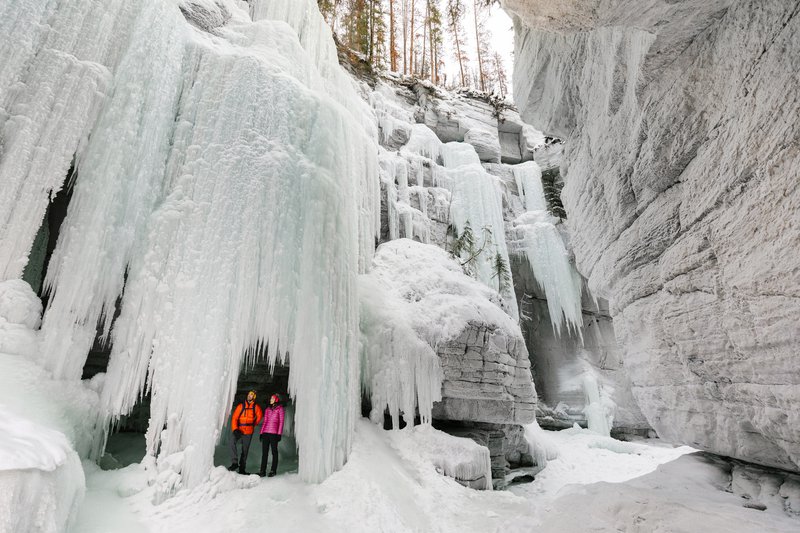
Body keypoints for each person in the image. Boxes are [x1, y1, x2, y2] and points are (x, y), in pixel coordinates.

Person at [229, 390, 263, 474]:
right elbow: (234, 418)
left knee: (245, 451)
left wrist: (254, 424)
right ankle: (234, 463)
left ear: (254, 397)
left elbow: (260, 416)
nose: (249, 396)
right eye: (249, 394)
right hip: (239, 430)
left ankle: (242, 469)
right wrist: (235, 429)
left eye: (251, 395)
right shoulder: (241, 406)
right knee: (231, 442)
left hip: (248, 432)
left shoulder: (256, 407)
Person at [258, 393, 285, 477]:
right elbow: (265, 422)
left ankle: (273, 470)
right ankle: (262, 471)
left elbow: (281, 422)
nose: (270, 400)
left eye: (272, 399)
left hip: (274, 434)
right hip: (266, 433)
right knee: (264, 453)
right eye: (270, 399)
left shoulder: (280, 409)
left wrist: (279, 434)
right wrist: (261, 433)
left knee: (274, 452)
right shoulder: (267, 410)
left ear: (276, 400)